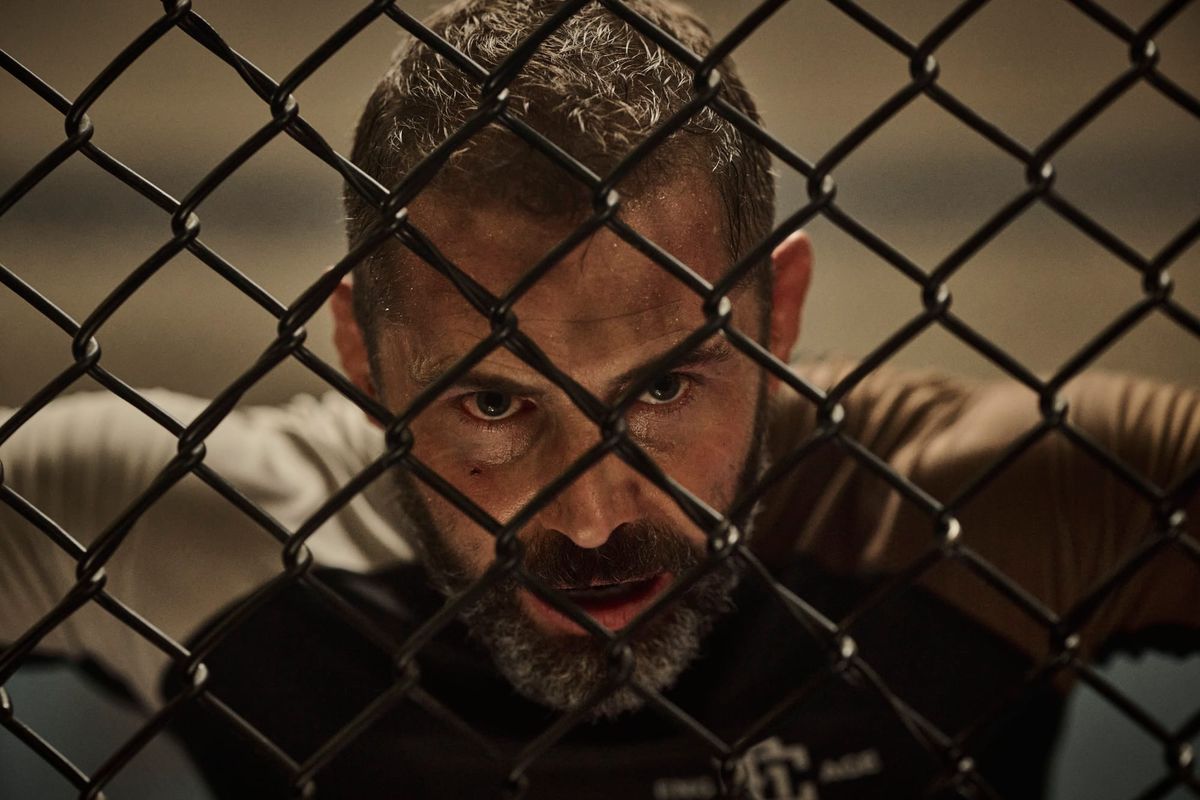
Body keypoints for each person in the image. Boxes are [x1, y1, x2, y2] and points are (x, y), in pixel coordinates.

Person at [1, 0, 1197, 798]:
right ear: (362, 352)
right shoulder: (194, 535)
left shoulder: (976, 507)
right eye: (491, 404)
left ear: (777, 317)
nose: (585, 521)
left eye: (665, 386)